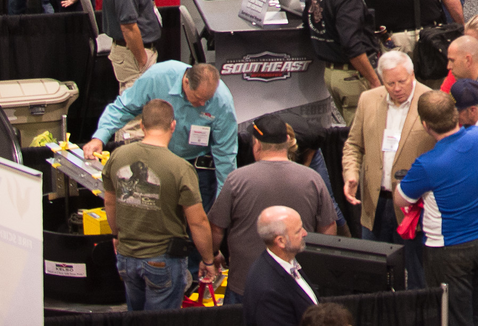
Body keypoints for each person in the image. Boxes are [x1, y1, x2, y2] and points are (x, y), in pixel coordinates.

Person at [395, 85, 478, 326]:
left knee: (453, 318)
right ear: (454, 113)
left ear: (426, 125)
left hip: (450, 249)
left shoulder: (427, 164)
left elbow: (401, 199)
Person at [101, 98, 218, 311]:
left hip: (127, 256)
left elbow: (110, 201)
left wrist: (117, 236)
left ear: (143, 126)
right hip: (162, 260)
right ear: (173, 125)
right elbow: (198, 222)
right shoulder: (180, 168)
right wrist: (208, 260)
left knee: (134, 317)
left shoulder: (117, 156)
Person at [210, 114, 341, 303]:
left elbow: (216, 227)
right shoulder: (312, 179)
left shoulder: (236, 180)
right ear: (287, 141)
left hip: (245, 285)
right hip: (297, 283)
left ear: (256, 144)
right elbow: (328, 229)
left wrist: (212, 255)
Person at [87, 62, 240, 208]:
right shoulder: (158, 77)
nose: (202, 104)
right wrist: (100, 137)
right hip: (159, 164)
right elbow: (124, 108)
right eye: (198, 98)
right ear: (186, 82)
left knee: (197, 224)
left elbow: (225, 156)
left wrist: (222, 206)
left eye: (207, 100)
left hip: (198, 169)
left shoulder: (222, 102)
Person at [341, 52, 436, 272]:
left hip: (414, 207)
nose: (396, 88)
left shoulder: (432, 101)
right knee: (375, 274)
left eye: (402, 81)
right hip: (375, 204)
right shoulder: (368, 99)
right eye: (390, 83)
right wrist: (351, 174)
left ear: (412, 75)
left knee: (416, 276)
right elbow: (354, 145)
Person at [304, 0, 383, 122]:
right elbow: (352, 45)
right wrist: (373, 79)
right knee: (363, 136)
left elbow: (309, 20)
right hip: (352, 76)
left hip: (331, 74)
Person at [240, 206, 320, 326]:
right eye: (298, 231)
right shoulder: (269, 291)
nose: (305, 233)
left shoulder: (288, 262)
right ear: (281, 241)